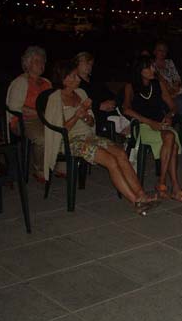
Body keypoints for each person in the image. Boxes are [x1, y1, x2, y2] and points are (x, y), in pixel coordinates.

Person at [43, 60, 158, 215]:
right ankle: (135, 201)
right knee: (110, 160)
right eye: (74, 76)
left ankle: (141, 194)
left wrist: (86, 117)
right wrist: (77, 115)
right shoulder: (55, 99)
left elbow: (91, 122)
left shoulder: (81, 93)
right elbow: (59, 130)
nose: (78, 79)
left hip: (88, 136)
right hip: (69, 141)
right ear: (64, 79)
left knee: (120, 153)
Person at [122, 56, 182, 203]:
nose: (153, 70)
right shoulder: (131, 86)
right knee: (172, 142)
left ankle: (162, 184)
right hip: (143, 126)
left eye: (153, 67)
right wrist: (149, 122)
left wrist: (169, 115)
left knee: (170, 138)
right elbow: (126, 109)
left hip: (161, 124)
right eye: (149, 67)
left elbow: (173, 106)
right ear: (140, 70)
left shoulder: (158, 84)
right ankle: (173, 187)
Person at [6, 46, 62, 182]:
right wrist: (38, 112)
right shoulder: (21, 82)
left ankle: (60, 166)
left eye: (43, 61)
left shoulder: (46, 82)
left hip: (45, 118)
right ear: (27, 63)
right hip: (25, 120)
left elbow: (53, 102)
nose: (41, 64)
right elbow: (14, 107)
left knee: (62, 132)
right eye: (37, 61)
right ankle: (40, 169)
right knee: (43, 138)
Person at [74, 52, 129, 135]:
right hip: (94, 115)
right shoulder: (75, 83)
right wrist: (99, 106)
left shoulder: (95, 80)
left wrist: (113, 101)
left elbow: (108, 93)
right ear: (77, 63)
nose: (89, 66)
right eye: (87, 63)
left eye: (91, 64)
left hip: (110, 111)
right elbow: (79, 102)